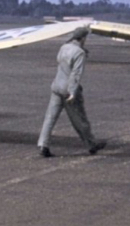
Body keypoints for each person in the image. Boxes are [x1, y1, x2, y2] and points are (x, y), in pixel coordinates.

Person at [37, 25, 106, 157]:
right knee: (80, 119)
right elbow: (76, 74)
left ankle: (43, 144)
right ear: (83, 38)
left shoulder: (64, 47)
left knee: (50, 118)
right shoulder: (80, 53)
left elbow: (59, 61)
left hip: (56, 86)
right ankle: (91, 145)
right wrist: (72, 92)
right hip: (68, 89)